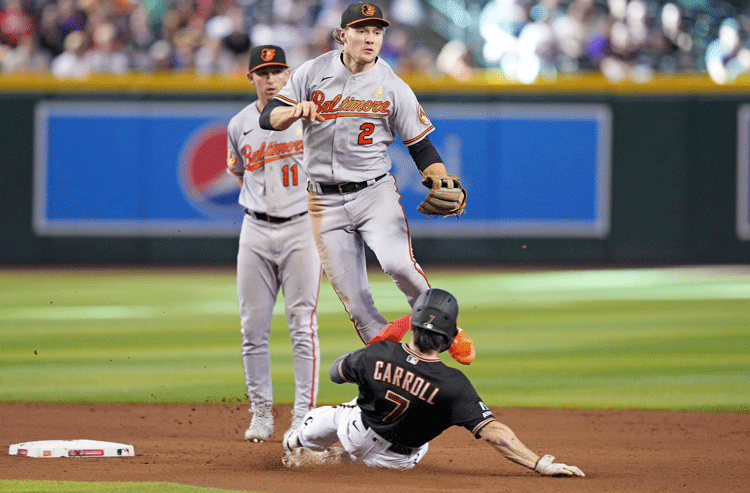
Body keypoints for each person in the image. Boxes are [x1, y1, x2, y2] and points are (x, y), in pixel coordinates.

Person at [259, 2, 474, 364]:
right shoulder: (312, 72)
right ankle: (394, 364)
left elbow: (421, 146)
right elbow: (269, 116)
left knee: (400, 264)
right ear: (343, 35)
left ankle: (448, 330)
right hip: (323, 202)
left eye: (377, 31)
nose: (370, 38)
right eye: (361, 30)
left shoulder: (393, 85)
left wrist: (440, 177)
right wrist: (294, 110)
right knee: (356, 302)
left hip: (373, 192)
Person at [281, 288, 586, 477]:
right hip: (396, 463)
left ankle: (296, 443)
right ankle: (342, 461)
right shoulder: (455, 384)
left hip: (356, 432)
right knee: (416, 431)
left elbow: (337, 373)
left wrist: (373, 348)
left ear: (411, 325)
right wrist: (538, 464)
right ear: (450, 339)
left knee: (338, 411)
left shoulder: (377, 354)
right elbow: (496, 435)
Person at [227, 45, 323, 443]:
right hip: (255, 229)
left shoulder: (306, 115)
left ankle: (303, 416)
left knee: (303, 325)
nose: (269, 79)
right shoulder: (238, 125)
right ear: (251, 77)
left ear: (288, 75)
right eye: (262, 72)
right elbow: (239, 172)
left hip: (302, 228)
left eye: (276, 71)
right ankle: (261, 413)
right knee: (253, 329)